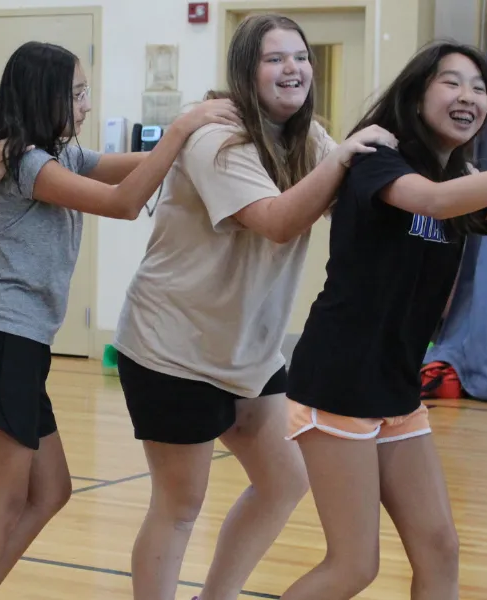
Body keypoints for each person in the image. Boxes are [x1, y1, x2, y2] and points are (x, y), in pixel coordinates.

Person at [277, 42, 487, 600]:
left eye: (480, 88)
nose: (468, 97)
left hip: (396, 385)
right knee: (353, 565)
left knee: (440, 548)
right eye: (452, 83)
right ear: (416, 96)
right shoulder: (378, 161)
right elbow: (433, 201)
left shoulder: (461, 179)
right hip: (339, 381)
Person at [0, 40, 238, 600]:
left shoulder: (61, 157)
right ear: (42, 95)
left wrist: (205, 132)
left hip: (20, 347)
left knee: (51, 490)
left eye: (86, 93)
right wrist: (181, 127)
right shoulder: (28, 163)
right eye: (76, 94)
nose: (85, 105)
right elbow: (125, 202)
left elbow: (144, 168)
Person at [112, 14, 396, 600]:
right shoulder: (218, 138)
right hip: (173, 347)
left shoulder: (311, 138)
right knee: (181, 502)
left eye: (300, 56)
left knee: (282, 481)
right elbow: (276, 222)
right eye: (275, 58)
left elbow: (363, 198)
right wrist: (344, 161)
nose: (292, 68)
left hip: (247, 351)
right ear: (247, 71)